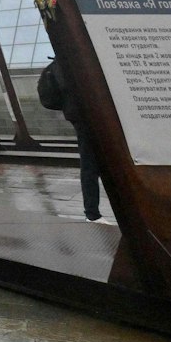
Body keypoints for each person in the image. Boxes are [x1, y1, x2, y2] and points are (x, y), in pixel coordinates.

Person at [37, 54, 104, 222]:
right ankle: (92, 213)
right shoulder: (69, 63)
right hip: (86, 116)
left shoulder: (58, 64)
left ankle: (92, 212)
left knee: (90, 163)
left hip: (79, 116)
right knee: (90, 164)